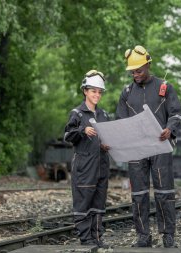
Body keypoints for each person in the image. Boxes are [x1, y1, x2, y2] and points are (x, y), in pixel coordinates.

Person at [116, 45, 181, 248]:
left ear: (148, 65)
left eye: (139, 70)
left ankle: (168, 235)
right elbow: (121, 120)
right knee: (138, 194)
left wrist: (170, 129)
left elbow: (176, 113)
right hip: (137, 150)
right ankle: (143, 236)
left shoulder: (164, 88)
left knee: (164, 192)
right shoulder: (126, 93)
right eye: (132, 71)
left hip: (160, 147)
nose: (135, 74)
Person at [64, 70, 110, 248]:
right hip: (84, 167)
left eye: (99, 92)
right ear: (85, 91)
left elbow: (107, 137)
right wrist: (82, 131)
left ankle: (97, 238)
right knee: (83, 203)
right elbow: (67, 135)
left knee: (99, 203)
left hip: (101, 166)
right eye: (93, 91)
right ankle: (86, 240)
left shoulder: (104, 115)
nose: (97, 95)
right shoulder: (77, 113)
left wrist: (105, 145)